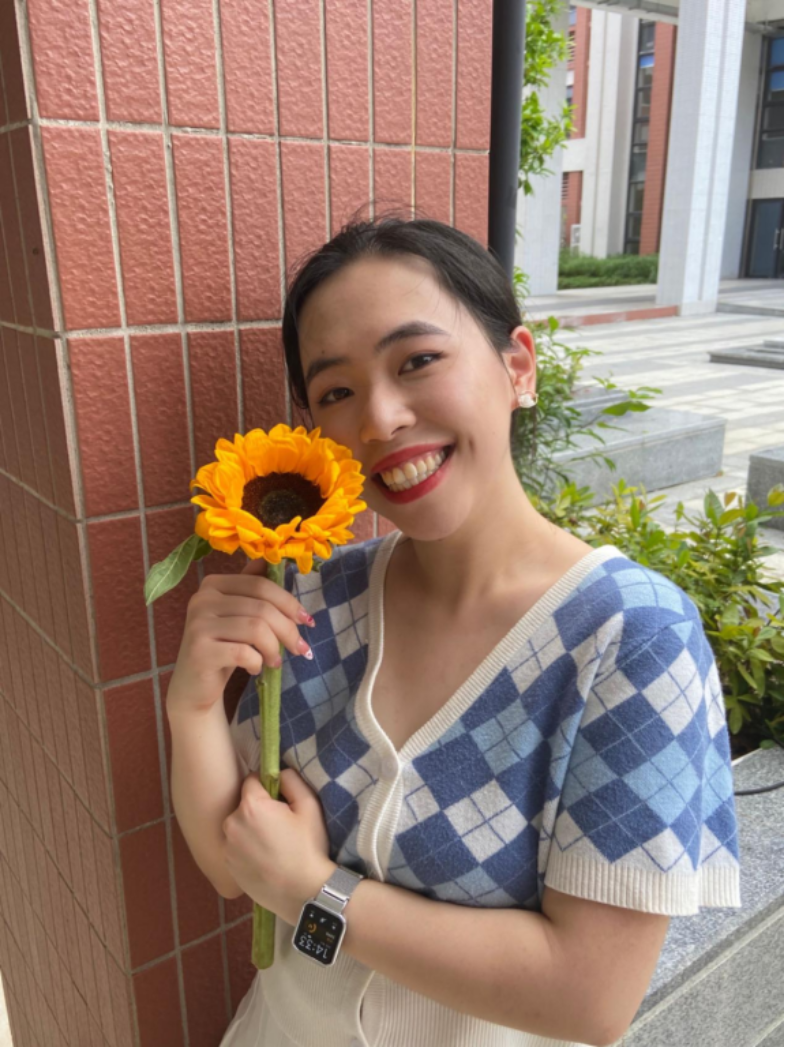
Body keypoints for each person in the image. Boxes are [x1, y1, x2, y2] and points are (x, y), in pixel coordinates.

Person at [167, 218, 742, 1047]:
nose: (380, 418)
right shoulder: (309, 597)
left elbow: (588, 996)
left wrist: (314, 891)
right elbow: (234, 867)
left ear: (518, 367)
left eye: (417, 360)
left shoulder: (632, 638)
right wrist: (192, 703)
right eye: (335, 392)